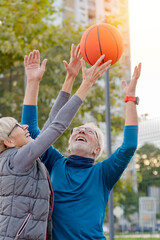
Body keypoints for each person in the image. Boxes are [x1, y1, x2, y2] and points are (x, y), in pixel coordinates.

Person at [22, 43, 141, 239]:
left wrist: (130, 98)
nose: (81, 130)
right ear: (68, 144)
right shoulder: (56, 163)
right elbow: (33, 134)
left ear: (97, 150)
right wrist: (34, 81)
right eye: (77, 130)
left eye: (90, 132)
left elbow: (129, 146)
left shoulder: (103, 174)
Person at [0, 47, 112, 240]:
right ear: (9, 141)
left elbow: (51, 123)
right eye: (17, 125)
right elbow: (57, 126)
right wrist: (86, 83)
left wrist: (67, 79)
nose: (24, 125)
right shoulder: (17, 160)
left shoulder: (21, 157)